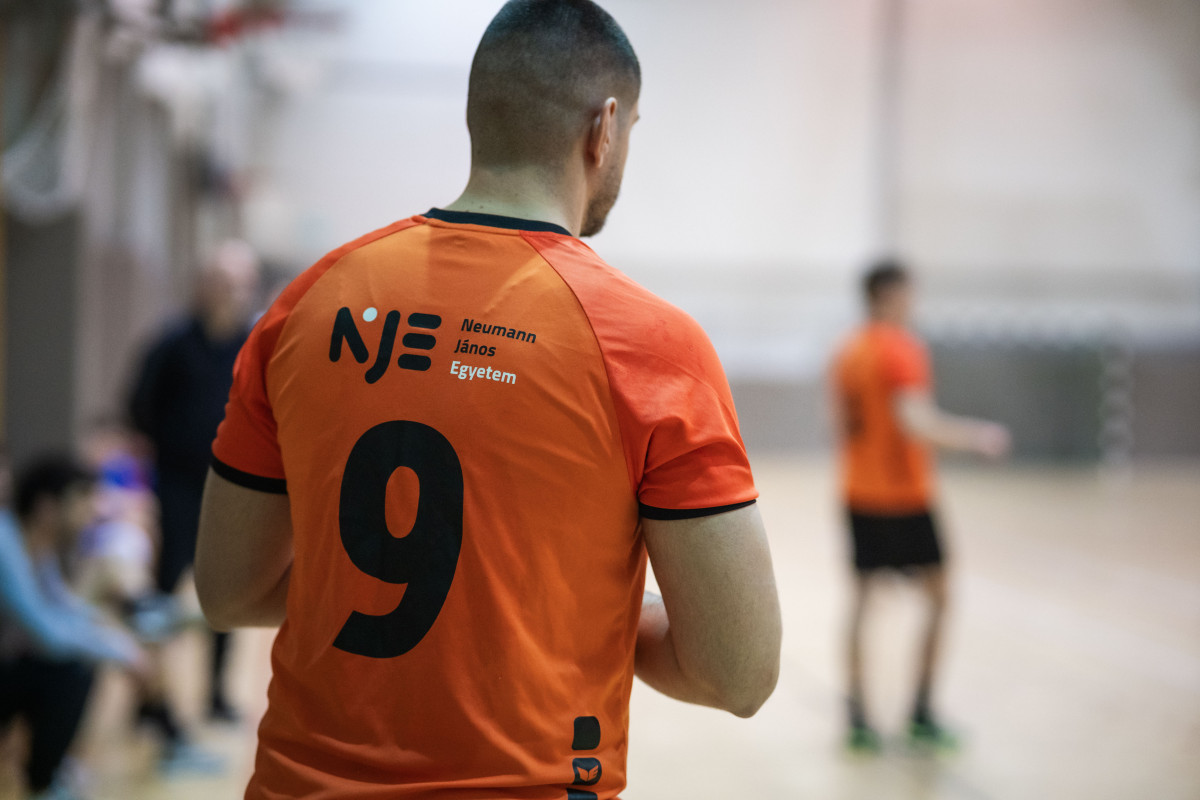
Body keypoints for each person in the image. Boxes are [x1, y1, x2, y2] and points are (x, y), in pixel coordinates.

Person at [195, 2, 782, 798]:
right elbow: (737, 672)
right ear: (604, 128)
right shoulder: (651, 346)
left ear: (479, 114)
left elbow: (228, 590)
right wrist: (577, 608)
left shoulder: (309, 301)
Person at [831, 259, 1011, 752]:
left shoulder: (848, 350)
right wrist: (976, 438)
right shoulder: (900, 348)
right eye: (909, 294)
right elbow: (915, 421)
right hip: (904, 497)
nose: (914, 303)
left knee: (862, 602)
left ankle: (857, 717)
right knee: (940, 597)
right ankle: (921, 712)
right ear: (889, 295)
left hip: (857, 492)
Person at [129, 238, 260, 730]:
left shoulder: (254, 346)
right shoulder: (171, 344)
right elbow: (139, 407)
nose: (232, 293)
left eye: (242, 284)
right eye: (223, 282)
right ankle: (150, 701)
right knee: (163, 592)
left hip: (233, 490)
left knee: (228, 592)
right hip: (177, 487)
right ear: (202, 285)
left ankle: (216, 695)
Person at [1, 454, 143, 800]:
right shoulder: (4, 538)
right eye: (81, 501)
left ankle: (50, 773)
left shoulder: (35, 545)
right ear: (48, 506)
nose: (90, 513)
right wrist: (124, 653)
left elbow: (65, 608)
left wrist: (118, 639)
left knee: (78, 659)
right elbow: (47, 632)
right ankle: (44, 782)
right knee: (71, 668)